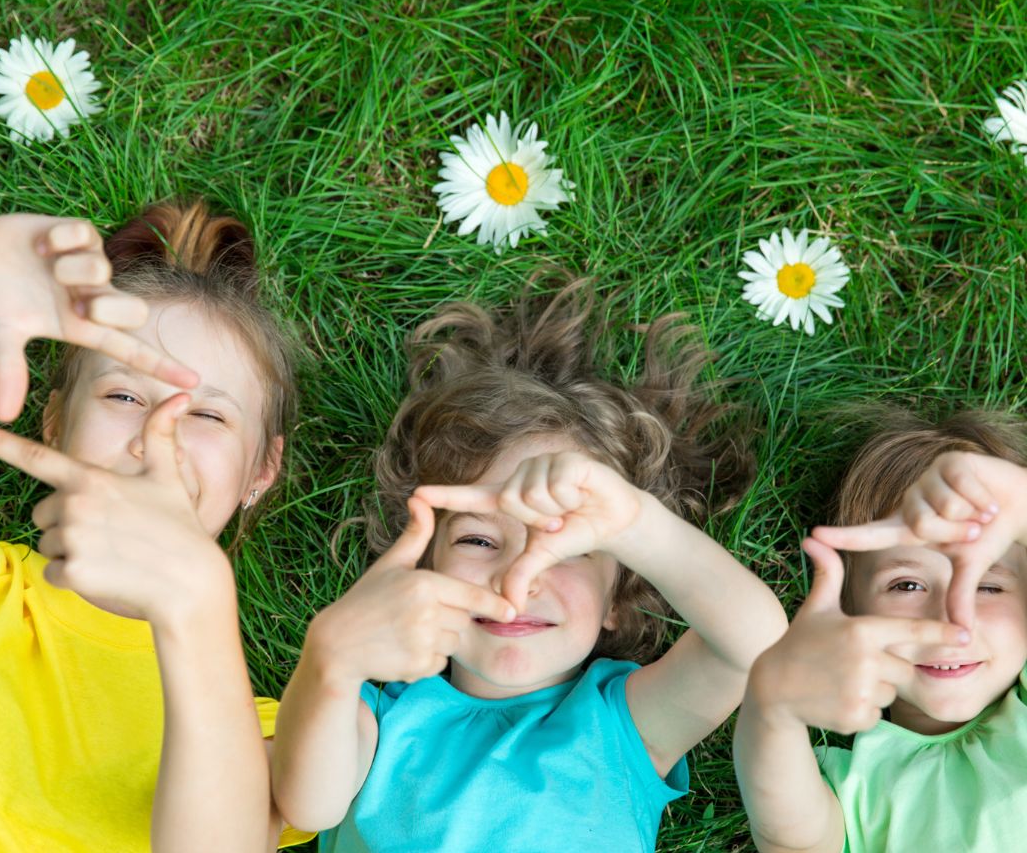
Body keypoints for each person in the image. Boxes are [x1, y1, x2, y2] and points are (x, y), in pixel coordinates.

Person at [271, 281, 788, 851]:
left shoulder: (623, 726)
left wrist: (637, 525)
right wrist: (331, 661)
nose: (518, 576)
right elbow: (307, 805)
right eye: (477, 540)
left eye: (566, 547)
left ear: (617, 598)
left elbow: (754, 646)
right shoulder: (381, 718)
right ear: (424, 572)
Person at [0, 205, 310, 852]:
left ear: (263, 469)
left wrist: (195, 602)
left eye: (209, 415)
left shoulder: (265, 732)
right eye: (123, 396)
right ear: (55, 423)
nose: (156, 435)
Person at [734, 411, 1027, 852]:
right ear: (847, 611)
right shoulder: (855, 784)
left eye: (989, 585)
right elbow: (791, 842)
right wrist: (771, 707)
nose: (950, 620)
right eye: (906, 585)